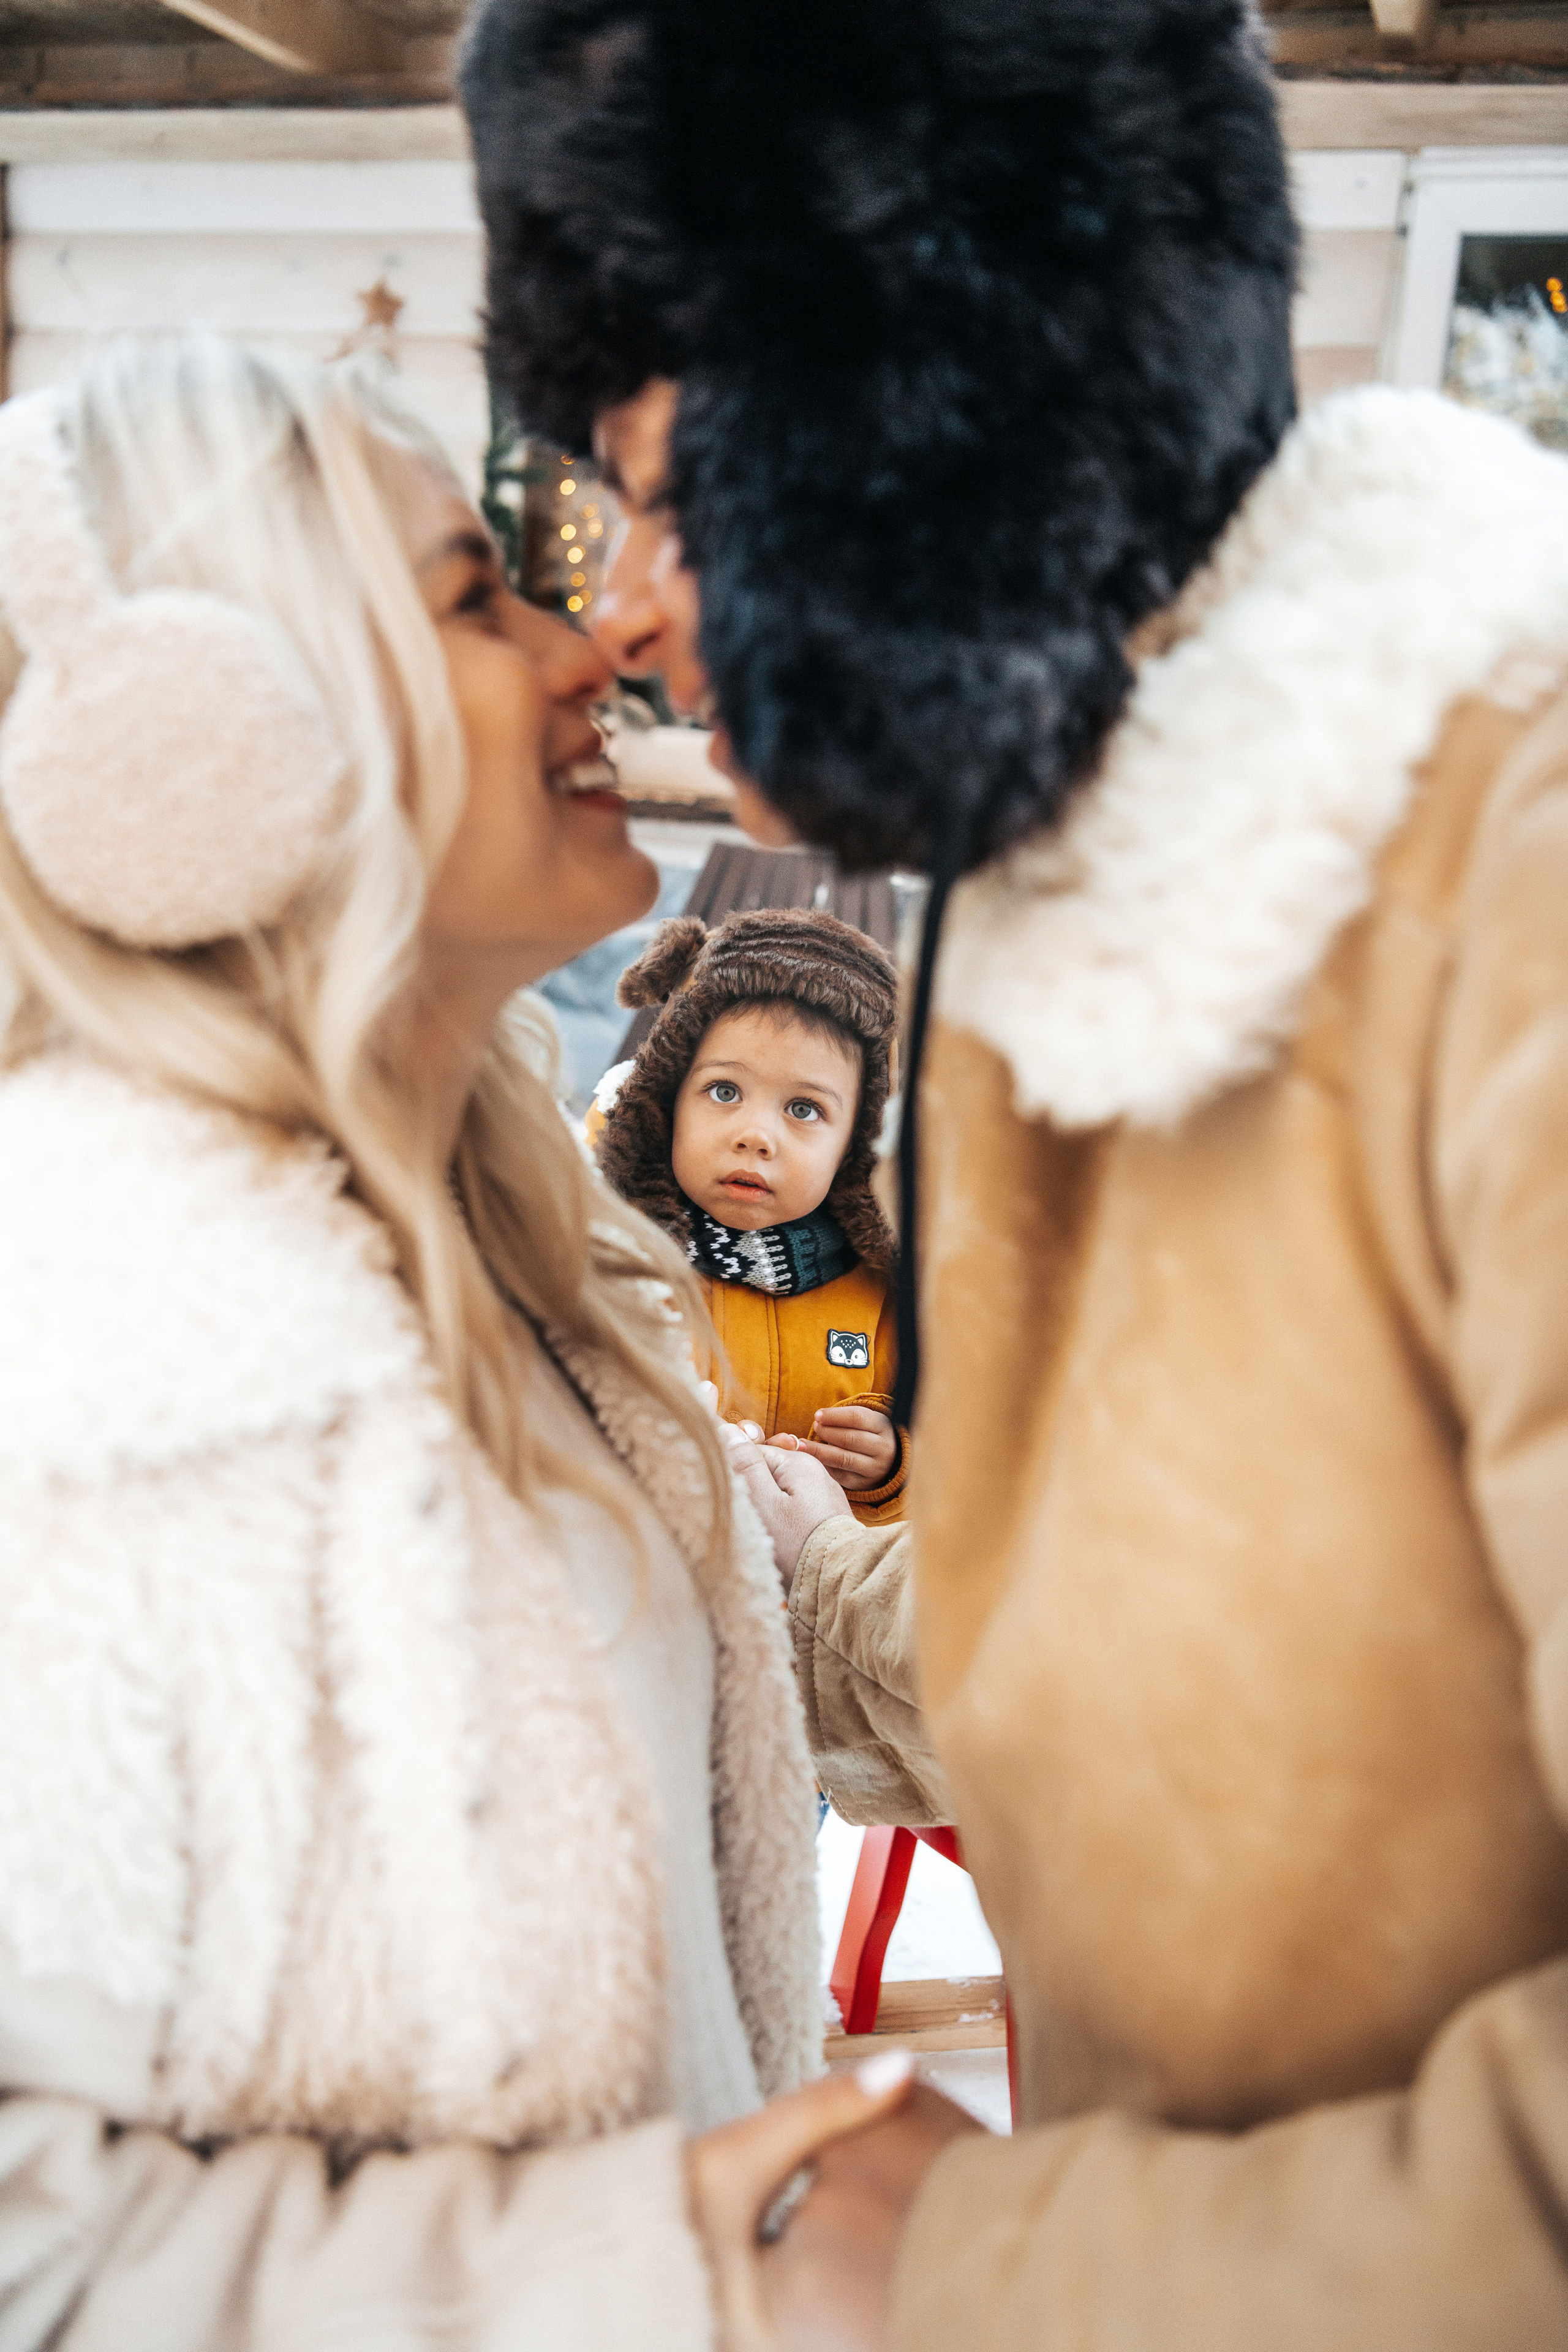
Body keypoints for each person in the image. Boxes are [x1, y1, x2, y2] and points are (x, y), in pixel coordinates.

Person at [463, 1, 1568, 2345]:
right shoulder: (1054, 916)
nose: (620, 609)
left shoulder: (1509, 879)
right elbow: (1205, 1704)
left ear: (919, 396)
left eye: (665, 489)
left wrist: (995, 2268)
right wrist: (702, 1546)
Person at [0, 335, 944, 2351]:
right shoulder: (91, 1364)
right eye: (474, 594)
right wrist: (670, 2272)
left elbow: (742, 1666)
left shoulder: (507, 1235)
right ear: (206, 738)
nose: (594, 640)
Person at [590, 907, 909, 1526]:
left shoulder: (883, 1286)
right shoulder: (610, 1247)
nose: (757, 1135)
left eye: (804, 1108)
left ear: (856, 1142)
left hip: (814, 1603)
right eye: (725, 1092)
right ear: (667, 1097)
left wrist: (892, 1466)